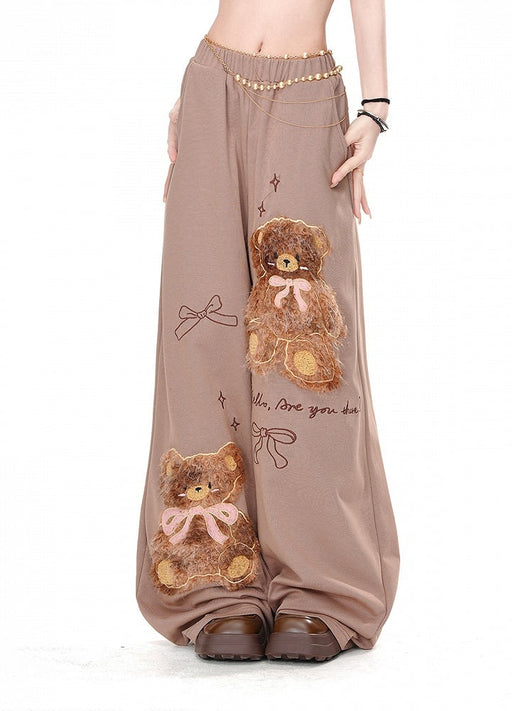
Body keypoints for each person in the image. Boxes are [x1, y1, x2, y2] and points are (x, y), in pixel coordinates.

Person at [136, 0, 400, 662]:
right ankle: (218, 587)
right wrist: (195, 96)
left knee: (300, 334)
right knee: (198, 330)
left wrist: (375, 105)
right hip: (212, 82)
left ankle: (320, 586)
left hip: (306, 92)